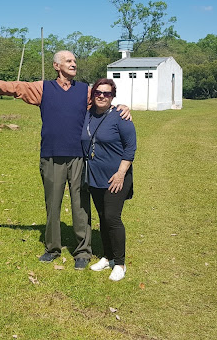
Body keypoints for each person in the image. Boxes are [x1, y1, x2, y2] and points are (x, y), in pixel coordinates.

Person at [0, 51, 130, 270]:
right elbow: (13, 87)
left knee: (81, 206)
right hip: (51, 156)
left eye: (74, 61)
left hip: (79, 157)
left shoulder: (84, 91)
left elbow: (104, 102)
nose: (73, 64)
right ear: (56, 66)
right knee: (53, 205)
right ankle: (52, 248)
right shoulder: (43, 88)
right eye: (69, 61)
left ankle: (82, 252)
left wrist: (122, 108)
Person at [81, 78, 136, 281]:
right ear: (93, 94)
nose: (102, 96)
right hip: (95, 176)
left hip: (116, 177)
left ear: (113, 96)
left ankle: (120, 264)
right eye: (98, 92)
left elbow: (130, 148)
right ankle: (107, 257)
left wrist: (121, 173)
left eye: (107, 93)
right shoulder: (87, 114)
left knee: (112, 218)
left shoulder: (120, 116)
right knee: (103, 217)